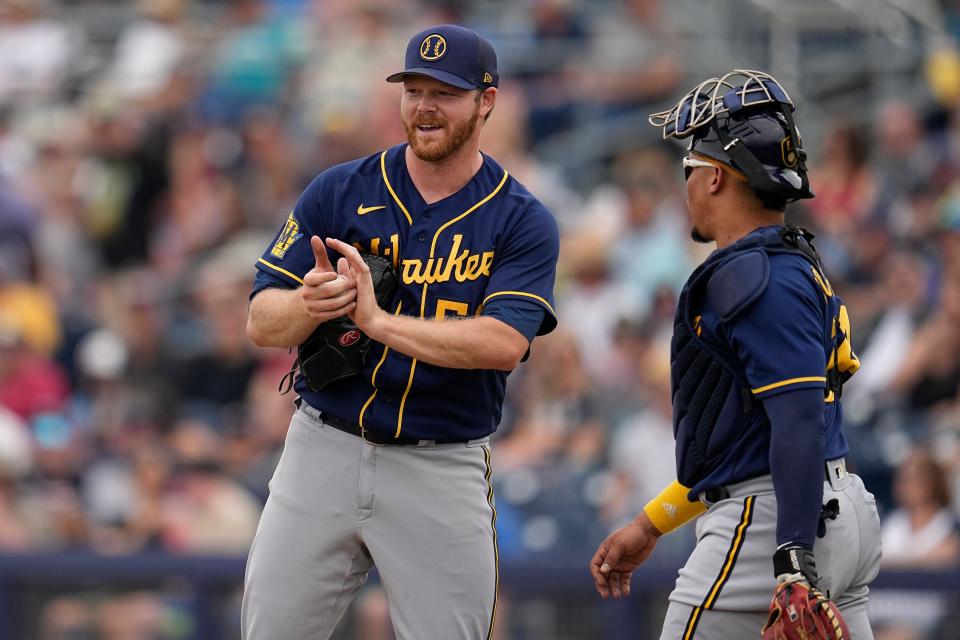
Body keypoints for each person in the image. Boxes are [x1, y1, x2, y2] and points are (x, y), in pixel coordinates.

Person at [241, 24, 560, 640]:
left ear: (485, 102)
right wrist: (312, 303)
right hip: (323, 445)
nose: (425, 106)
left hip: (441, 462)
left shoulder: (521, 218)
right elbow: (261, 319)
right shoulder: (340, 189)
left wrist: (378, 321)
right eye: (413, 89)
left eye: (445, 91)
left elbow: (504, 343)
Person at [589, 70, 882, 638]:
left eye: (690, 170)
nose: (688, 186)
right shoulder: (786, 260)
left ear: (718, 178)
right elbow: (744, 442)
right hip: (826, 504)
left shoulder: (754, 274)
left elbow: (795, 422)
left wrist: (791, 555)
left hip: (775, 520)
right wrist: (652, 524)